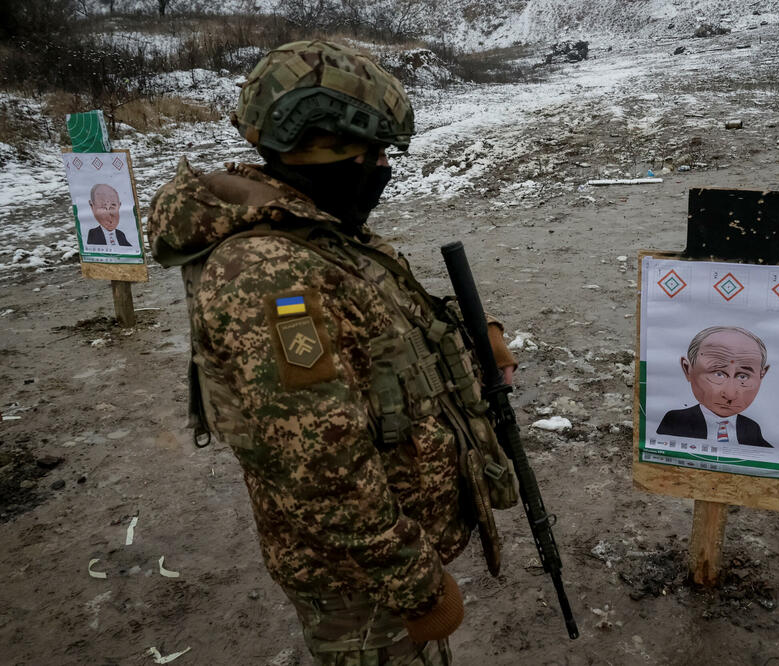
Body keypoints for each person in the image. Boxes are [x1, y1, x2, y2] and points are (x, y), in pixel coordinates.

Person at [147, 40, 518, 665]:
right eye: (375, 153)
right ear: (328, 148)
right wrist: (417, 585)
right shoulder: (270, 273)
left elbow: (378, 337)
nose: (383, 168)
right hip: (360, 587)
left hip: (384, 563)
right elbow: (322, 471)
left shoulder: (315, 228)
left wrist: (474, 339)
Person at [656, 326, 771, 447]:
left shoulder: (751, 428)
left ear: (761, 375)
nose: (730, 394)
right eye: (718, 374)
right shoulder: (676, 420)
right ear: (688, 369)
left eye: (743, 377)